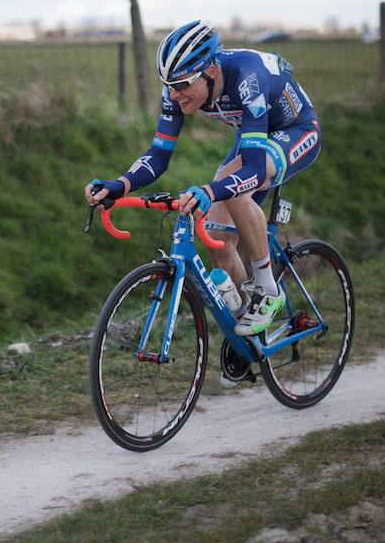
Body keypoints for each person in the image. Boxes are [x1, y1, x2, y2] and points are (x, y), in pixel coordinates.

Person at [84, 20, 320, 336]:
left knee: (230, 185)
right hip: (254, 133)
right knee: (218, 241)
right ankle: (250, 340)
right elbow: (158, 156)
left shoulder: (245, 77)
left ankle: (268, 291)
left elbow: (251, 169)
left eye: (181, 85)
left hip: (296, 130)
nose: (174, 94)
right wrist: (120, 184)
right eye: (167, 84)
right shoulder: (177, 90)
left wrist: (211, 190)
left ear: (210, 70)